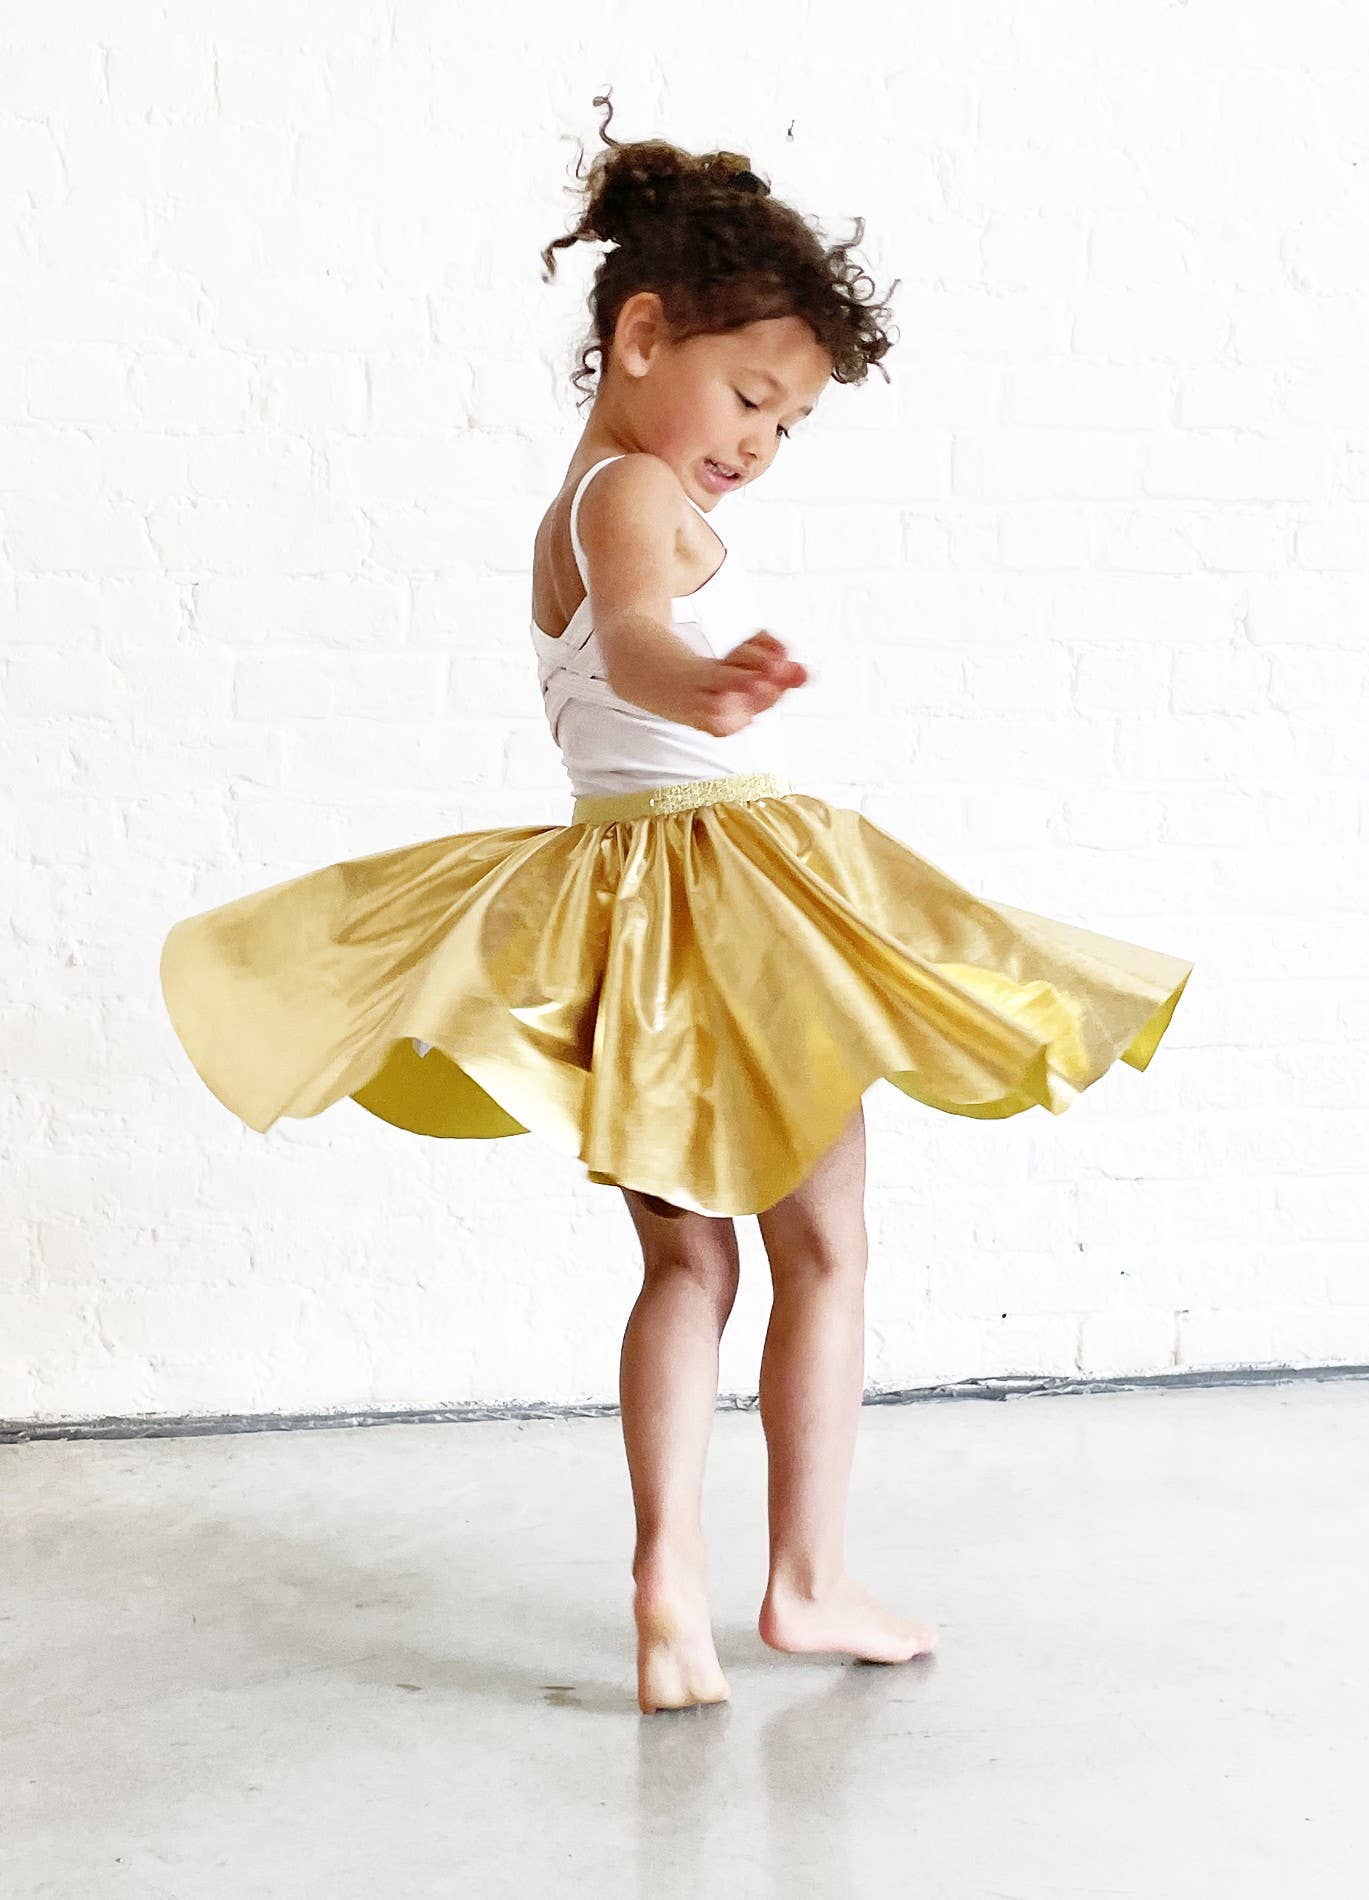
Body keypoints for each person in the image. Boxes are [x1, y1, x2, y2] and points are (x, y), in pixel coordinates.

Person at [159, 93, 1194, 1716]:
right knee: (827, 1255)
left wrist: (691, 678)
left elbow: (619, 636)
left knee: (689, 1269)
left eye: (787, 426)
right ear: (643, 334)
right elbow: (639, 637)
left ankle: (668, 1592)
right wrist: (706, 685)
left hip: (636, 916)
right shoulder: (629, 501)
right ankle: (802, 1577)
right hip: (727, 896)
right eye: (749, 396)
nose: (758, 444)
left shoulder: (584, 500)